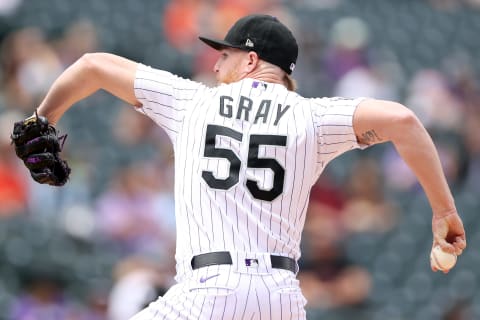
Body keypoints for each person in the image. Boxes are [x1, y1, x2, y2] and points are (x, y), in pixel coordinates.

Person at [27, 14, 465, 319]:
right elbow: (404, 121)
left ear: (251, 60)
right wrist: (444, 213)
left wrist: (42, 117)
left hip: (209, 290)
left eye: (226, 54)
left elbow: (92, 65)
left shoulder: (194, 102)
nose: (217, 63)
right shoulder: (312, 117)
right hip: (282, 299)